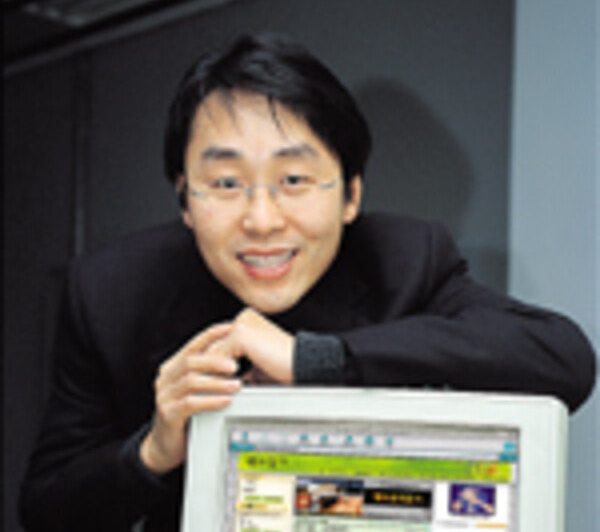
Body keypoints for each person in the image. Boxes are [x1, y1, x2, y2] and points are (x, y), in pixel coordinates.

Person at [19, 33, 596, 532]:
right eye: (225, 183)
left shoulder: (403, 260)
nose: (262, 220)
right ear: (185, 200)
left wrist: (317, 360)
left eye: (294, 179)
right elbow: (46, 509)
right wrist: (151, 451)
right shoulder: (113, 292)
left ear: (350, 195)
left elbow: (561, 359)